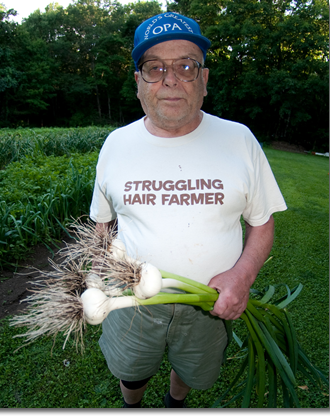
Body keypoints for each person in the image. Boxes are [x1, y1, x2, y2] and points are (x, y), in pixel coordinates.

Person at [90, 12, 287, 408]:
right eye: (154, 67)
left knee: (193, 370)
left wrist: (241, 277)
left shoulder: (239, 140)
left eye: (186, 65)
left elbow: (262, 224)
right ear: (138, 83)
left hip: (208, 305)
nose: (170, 79)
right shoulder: (116, 144)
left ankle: (174, 402)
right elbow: (102, 224)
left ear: (204, 79)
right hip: (129, 302)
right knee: (132, 368)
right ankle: (133, 403)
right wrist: (97, 276)